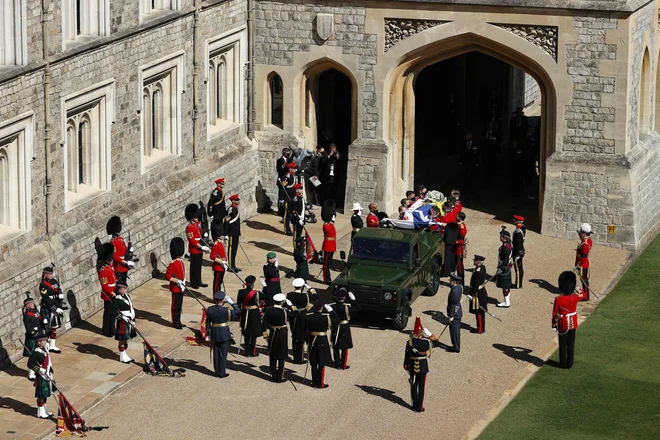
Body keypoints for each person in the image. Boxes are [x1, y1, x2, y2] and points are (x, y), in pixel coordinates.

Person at [552, 271, 586, 368]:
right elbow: (584, 294)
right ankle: (569, 363)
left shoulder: (558, 299)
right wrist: (577, 287)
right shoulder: (575, 297)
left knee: (563, 344)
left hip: (563, 323)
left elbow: (554, 313)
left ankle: (562, 363)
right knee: (571, 344)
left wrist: (554, 324)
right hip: (573, 322)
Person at [404, 317, 438, 412]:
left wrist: (406, 365)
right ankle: (419, 407)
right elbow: (436, 343)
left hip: (412, 366)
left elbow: (406, 355)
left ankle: (414, 406)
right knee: (421, 387)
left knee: (413, 386)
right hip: (423, 366)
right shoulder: (426, 342)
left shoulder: (410, 342)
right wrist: (430, 335)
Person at [205, 290, 240, 378]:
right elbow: (238, 311)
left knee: (216, 353)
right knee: (223, 354)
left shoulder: (210, 309)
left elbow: (208, 323)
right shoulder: (226, 310)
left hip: (214, 332)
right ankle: (221, 373)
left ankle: (216, 371)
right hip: (224, 332)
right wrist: (232, 303)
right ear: (222, 300)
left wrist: (208, 333)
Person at [306, 300, 338, 389]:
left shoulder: (309, 317)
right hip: (322, 341)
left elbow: (305, 328)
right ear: (322, 308)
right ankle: (320, 383)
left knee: (314, 363)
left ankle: (314, 382)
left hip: (312, 340)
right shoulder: (326, 317)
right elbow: (337, 319)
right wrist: (331, 311)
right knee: (321, 363)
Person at [263, 293, 294, 382]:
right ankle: (280, 376)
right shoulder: (285, 311)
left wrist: (265, 335)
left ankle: (273, 375)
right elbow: (296, 314)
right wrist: (291, 306)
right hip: (282, 333)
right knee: (282, 355)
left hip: (273, 332)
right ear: (283, 302)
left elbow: (264, 323)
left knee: (272, 354)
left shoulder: (268, 310)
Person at [287, 278, 318, 363]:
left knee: (294, 335)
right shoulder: (305, 295)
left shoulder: (289, 295)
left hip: (293, 317)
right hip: (302, 316)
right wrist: (310, 288)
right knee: (301, 337)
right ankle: (299, 359)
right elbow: (316, 297)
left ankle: (295, 357)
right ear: (302, 287)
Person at [329, 288, 360, 370]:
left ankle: (337, 364)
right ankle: (343, 364)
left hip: (335, 326)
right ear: (344, 297)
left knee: (335, 346)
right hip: (344, 327)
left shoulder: (332, 306)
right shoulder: (347, 306)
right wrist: (353, 299)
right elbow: (357, 308)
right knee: (344, 347)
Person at [27, 331, 54, 418]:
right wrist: (39, 369)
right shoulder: (36, 352)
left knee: (46, 394)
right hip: (41, 376)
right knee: (41, 395)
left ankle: (44, 410)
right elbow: (30, 364)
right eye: (43, 341)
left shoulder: (45, 349)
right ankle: (40, 412)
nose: (45, 342)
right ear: (38, 342)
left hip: (47, 374)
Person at [39, 267, 64, 352]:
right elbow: (46, 298)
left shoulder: (54, 281)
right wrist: (55, 308)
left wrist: (60, 302)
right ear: (45, 274)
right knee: (46, 327)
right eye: (48, 274)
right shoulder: (43, 285)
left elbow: (58, 291)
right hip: (48, 307)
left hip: (56, 304)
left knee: (54, 326)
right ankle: (45, 345)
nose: (50, 275)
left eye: (51, 274)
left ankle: (52, 345)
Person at [237, 275, 263, 357]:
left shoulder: (241, 292)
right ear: (253, 284)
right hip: (254, 313)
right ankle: (253, 351)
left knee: (246, 332)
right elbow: (268, 297)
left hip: (245, 312)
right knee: (254, 334)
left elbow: (238, 304)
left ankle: (247, 352)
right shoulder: (256, 293)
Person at [185, 203, 210, 289]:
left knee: (199, 265)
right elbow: (191, 240)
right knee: (194, 266)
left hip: (199, 248)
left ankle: (199, 281)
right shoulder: (189, 227)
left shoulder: (196, 224)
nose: (196, 217)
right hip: (194, 249)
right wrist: (199, 246)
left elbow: (200, 233)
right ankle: (193, 282)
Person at [23, 296, 46, 381]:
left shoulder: (35, 311)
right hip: (32, 337)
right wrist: (35, 334)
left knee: (39, 353)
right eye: (31, 303)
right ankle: (31, 373)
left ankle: (37, 369)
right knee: (32, 355)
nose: (33, 304)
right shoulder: (27, 315)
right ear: (27, 306)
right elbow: (28, 327)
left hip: (39, 334)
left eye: (32, 303)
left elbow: (39, 320)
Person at [165, 237, 187, 329]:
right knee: (175, 307)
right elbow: (168, 276)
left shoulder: (181, 262)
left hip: (180, 287)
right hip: (176, 288)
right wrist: (177, 281)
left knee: (179, 306)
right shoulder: (173, 264)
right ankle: (175, 322)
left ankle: (179, 321)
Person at [112, 280, 136, 363]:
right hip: (123, 322)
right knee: (122, 339)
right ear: (119, 290)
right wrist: (123, 317)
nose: (126, 290)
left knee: (126, 338)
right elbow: (113, 312)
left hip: (129, 320)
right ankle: (122, 356)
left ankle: (125, 354)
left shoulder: (126, 296)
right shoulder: (117, 300)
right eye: (124, 288)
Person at [107, 216, 135, 284]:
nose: (119, 232)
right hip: (119, 267)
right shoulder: (113, 242)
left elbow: (124, 249)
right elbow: (115, 256)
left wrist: (129, 249)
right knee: (120, 285)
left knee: (124, 283)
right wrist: (124, 262)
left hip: (124, 266)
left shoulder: (120, 239)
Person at [98, 243, 118, 337]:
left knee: (113, 313)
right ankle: (106, 330)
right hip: (108, 295)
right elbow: (104, 285)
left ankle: (112, 329)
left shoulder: (110, 267)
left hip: (114, 291)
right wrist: (111, 293)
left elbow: (114, 278)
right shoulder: (103, 270)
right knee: (108, 313)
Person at [467, 255, 488, 334]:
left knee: (478, 311)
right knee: (480, 311)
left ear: (478, 262)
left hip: (477, 293)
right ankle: (481, 327)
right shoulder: (482, 268)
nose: (474, 261)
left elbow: (475, 284)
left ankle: (480, 329)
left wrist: (471, 294)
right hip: (481, 291)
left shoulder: (478, 272)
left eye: (475, 260)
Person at [496, 229, 514, 308]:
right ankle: (507, 301)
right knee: (506, 286)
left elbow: (505, 259)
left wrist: (501, 268)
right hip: (506, 267)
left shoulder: (506, 247)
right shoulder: (507, 244)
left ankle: (507, 303)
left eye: (501, 236)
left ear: (505, 238)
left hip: (504, 268)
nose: (500, 237)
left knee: (505, 286)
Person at [575, 223, 593, 299]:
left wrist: (578, 267)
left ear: (584, 233)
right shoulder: (588, 240)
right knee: (583, 279)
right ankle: (586, 295)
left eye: (582, 233)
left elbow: (583, 257)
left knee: (584, 280)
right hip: (583, 263)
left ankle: (586, 296)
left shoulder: (585, 244)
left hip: (582, 264)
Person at [210, 219, 228, 294]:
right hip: (218, 267)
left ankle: (219, 296)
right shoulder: (216, 245)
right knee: (217, 284)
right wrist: (221, 262)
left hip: (222, 266)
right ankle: (216, 297)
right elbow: (212, 256)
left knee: (220, 282)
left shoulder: (221, 243)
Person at [447, 273, 463, 353]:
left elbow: (452, 305)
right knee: (455, 330)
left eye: (450, 281)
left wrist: (450, 315)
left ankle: (456, 347)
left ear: (454, 282)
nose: (449, 282)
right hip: (457, 310)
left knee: (454, 331)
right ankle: (456, 345)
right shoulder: (459, 287)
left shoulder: (454, 291)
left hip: (454, 313)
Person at [225, 194, 242, 272]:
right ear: (233, 201)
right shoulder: (231, 209)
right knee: (231, 249)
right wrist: (226, 233)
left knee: (235, 249)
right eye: (237, 200)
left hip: (236, 231)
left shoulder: (236, 208)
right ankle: (230, 266)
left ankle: (233, 265)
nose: (238, 201)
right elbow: (227, 221)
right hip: (231, 232)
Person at [321, 200, 337, 284]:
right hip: (327, 246)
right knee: (326, 265)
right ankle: (326, 279)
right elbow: (327, 229)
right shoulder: (326, 225)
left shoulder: (330, 224)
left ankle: (328, 278)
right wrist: (331, 220)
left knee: (329, 263)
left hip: (331, 246)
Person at [276, 148, 294, 216]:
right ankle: (280, 211)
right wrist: (284, 165)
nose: (288, 154)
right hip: (282, 179)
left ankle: (287, 210)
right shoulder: (279, 160)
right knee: (281, 195)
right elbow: (279, 170)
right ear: (284, 153)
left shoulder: (290, 160)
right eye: (287, 152)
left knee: (287, 195)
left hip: (289, 179)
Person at [512, 215, 526, 289]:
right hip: (520, 250)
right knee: (520, 268)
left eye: (515, 220)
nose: (514, 221)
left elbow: (517, 244)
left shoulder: (518, 232)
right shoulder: (522, 227)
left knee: (517, 269)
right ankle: (519, 283)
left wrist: (517, 254)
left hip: (517, 252)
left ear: (517, 222)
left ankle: (518, 284)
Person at [455, 212, 468, 284]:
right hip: (455, 248)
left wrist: (455, 241)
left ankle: (461, 282)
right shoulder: (458, 224)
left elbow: (461, 240)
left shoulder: (461, 226)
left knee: (459, 266)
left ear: (460, 218)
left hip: (458, 249)